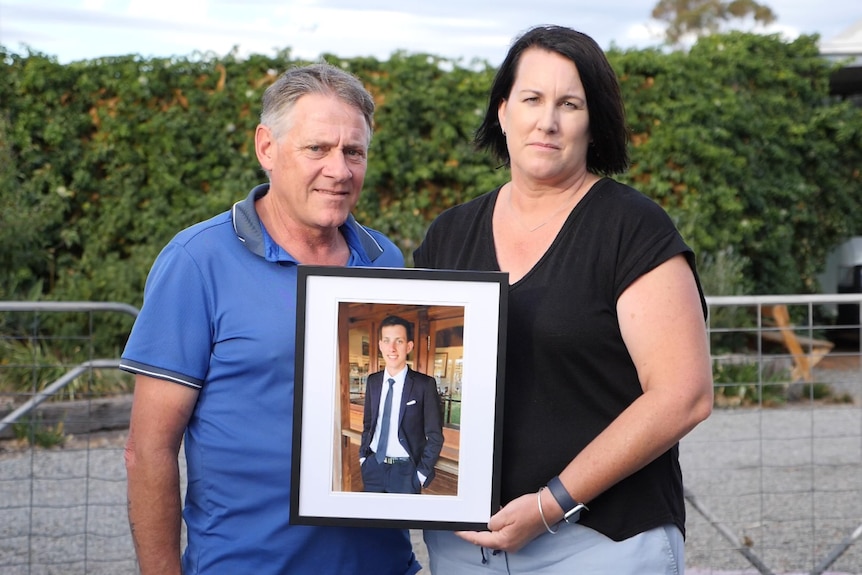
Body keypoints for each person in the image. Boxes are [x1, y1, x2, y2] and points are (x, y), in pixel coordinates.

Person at [413, 25, 714, 574]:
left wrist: (550, 505)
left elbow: (683, 395)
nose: (546, 121)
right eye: (531, 99)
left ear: (593, 123)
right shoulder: (449, 235)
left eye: (569, 104)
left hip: (601, 545)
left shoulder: (631, 228)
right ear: (503, 112)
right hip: (465, 550)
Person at [120, 63, 421, 575]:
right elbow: (148, 451)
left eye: (354, 152)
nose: (339, 169)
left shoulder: (383, 259)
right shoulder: (198, 261)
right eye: (317, 149)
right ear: (267, 148)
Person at [359, 315, 444, 494]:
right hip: (373, 467)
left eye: (399, 341)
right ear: (380, 345)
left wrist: (421, 473)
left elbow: (435, 435)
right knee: (372, 520)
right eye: (387, 341)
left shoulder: (424, 385)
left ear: (409, 346)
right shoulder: (373, 381)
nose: (392, 348)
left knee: (404, 523)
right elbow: (368, 424)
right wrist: (363, 458)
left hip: (406, 473)